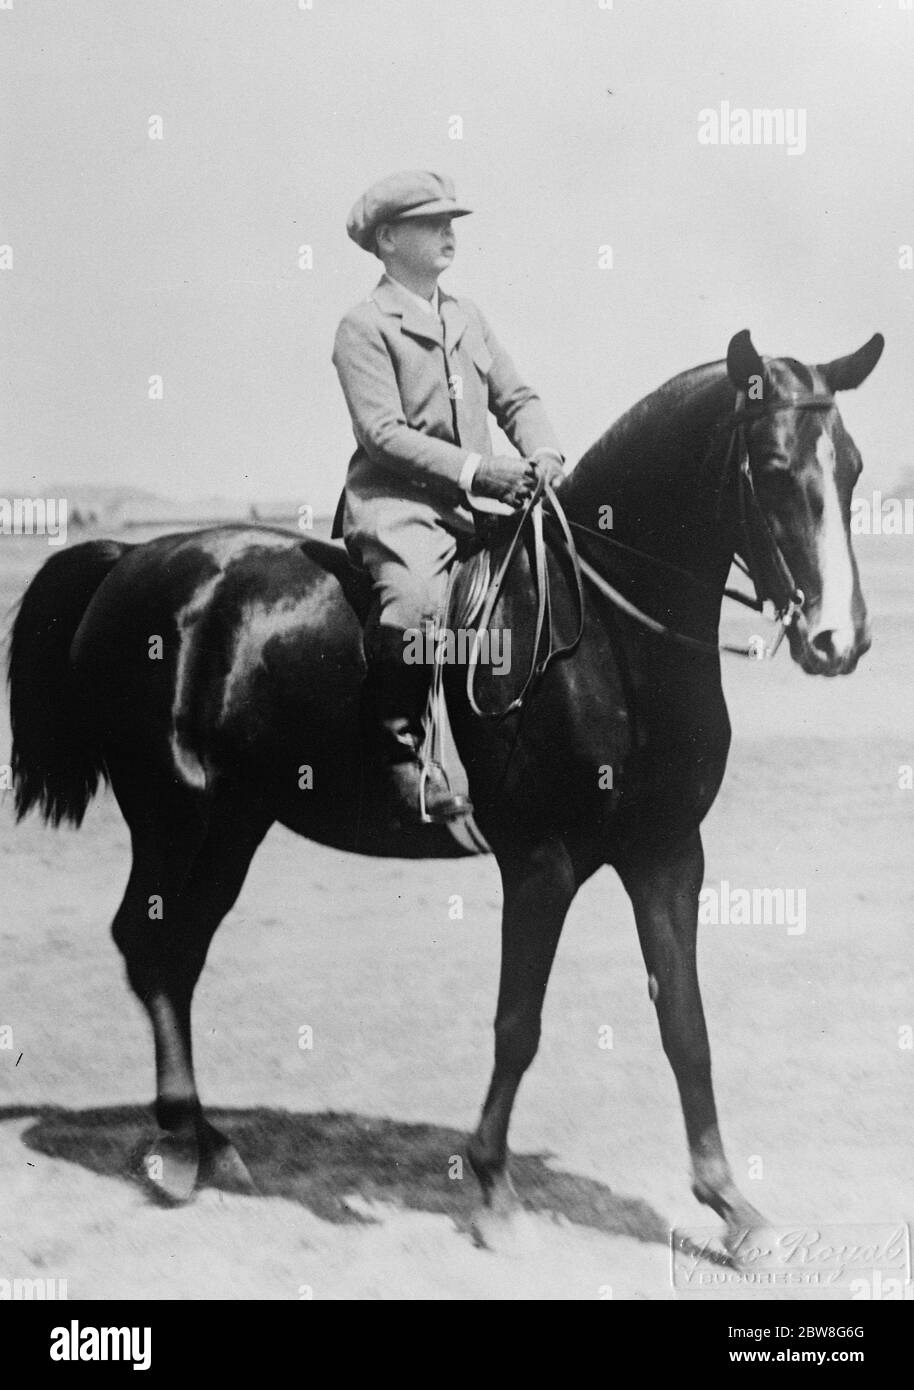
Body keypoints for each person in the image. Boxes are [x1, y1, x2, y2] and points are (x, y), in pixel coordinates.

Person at [331, 170, 565, 825]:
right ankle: (400, 758)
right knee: (414, 605)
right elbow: (382, 435)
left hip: (478, 508)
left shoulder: (466, 318)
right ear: (386, 239)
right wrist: (478, 470)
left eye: (451, 222)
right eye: (431, 222)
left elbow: (517, 398)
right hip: (400, 507)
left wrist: (543, 453)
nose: (448, 234)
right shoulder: (363, 326)